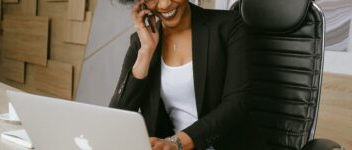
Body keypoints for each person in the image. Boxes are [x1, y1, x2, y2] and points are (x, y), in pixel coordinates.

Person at [109, 0, 267, 149]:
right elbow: (117, 116)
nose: (164, 4)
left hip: (222, 144)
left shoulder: (228, 26)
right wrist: (146, 51)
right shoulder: (141, 42)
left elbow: (237, 103)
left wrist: (177, 143)